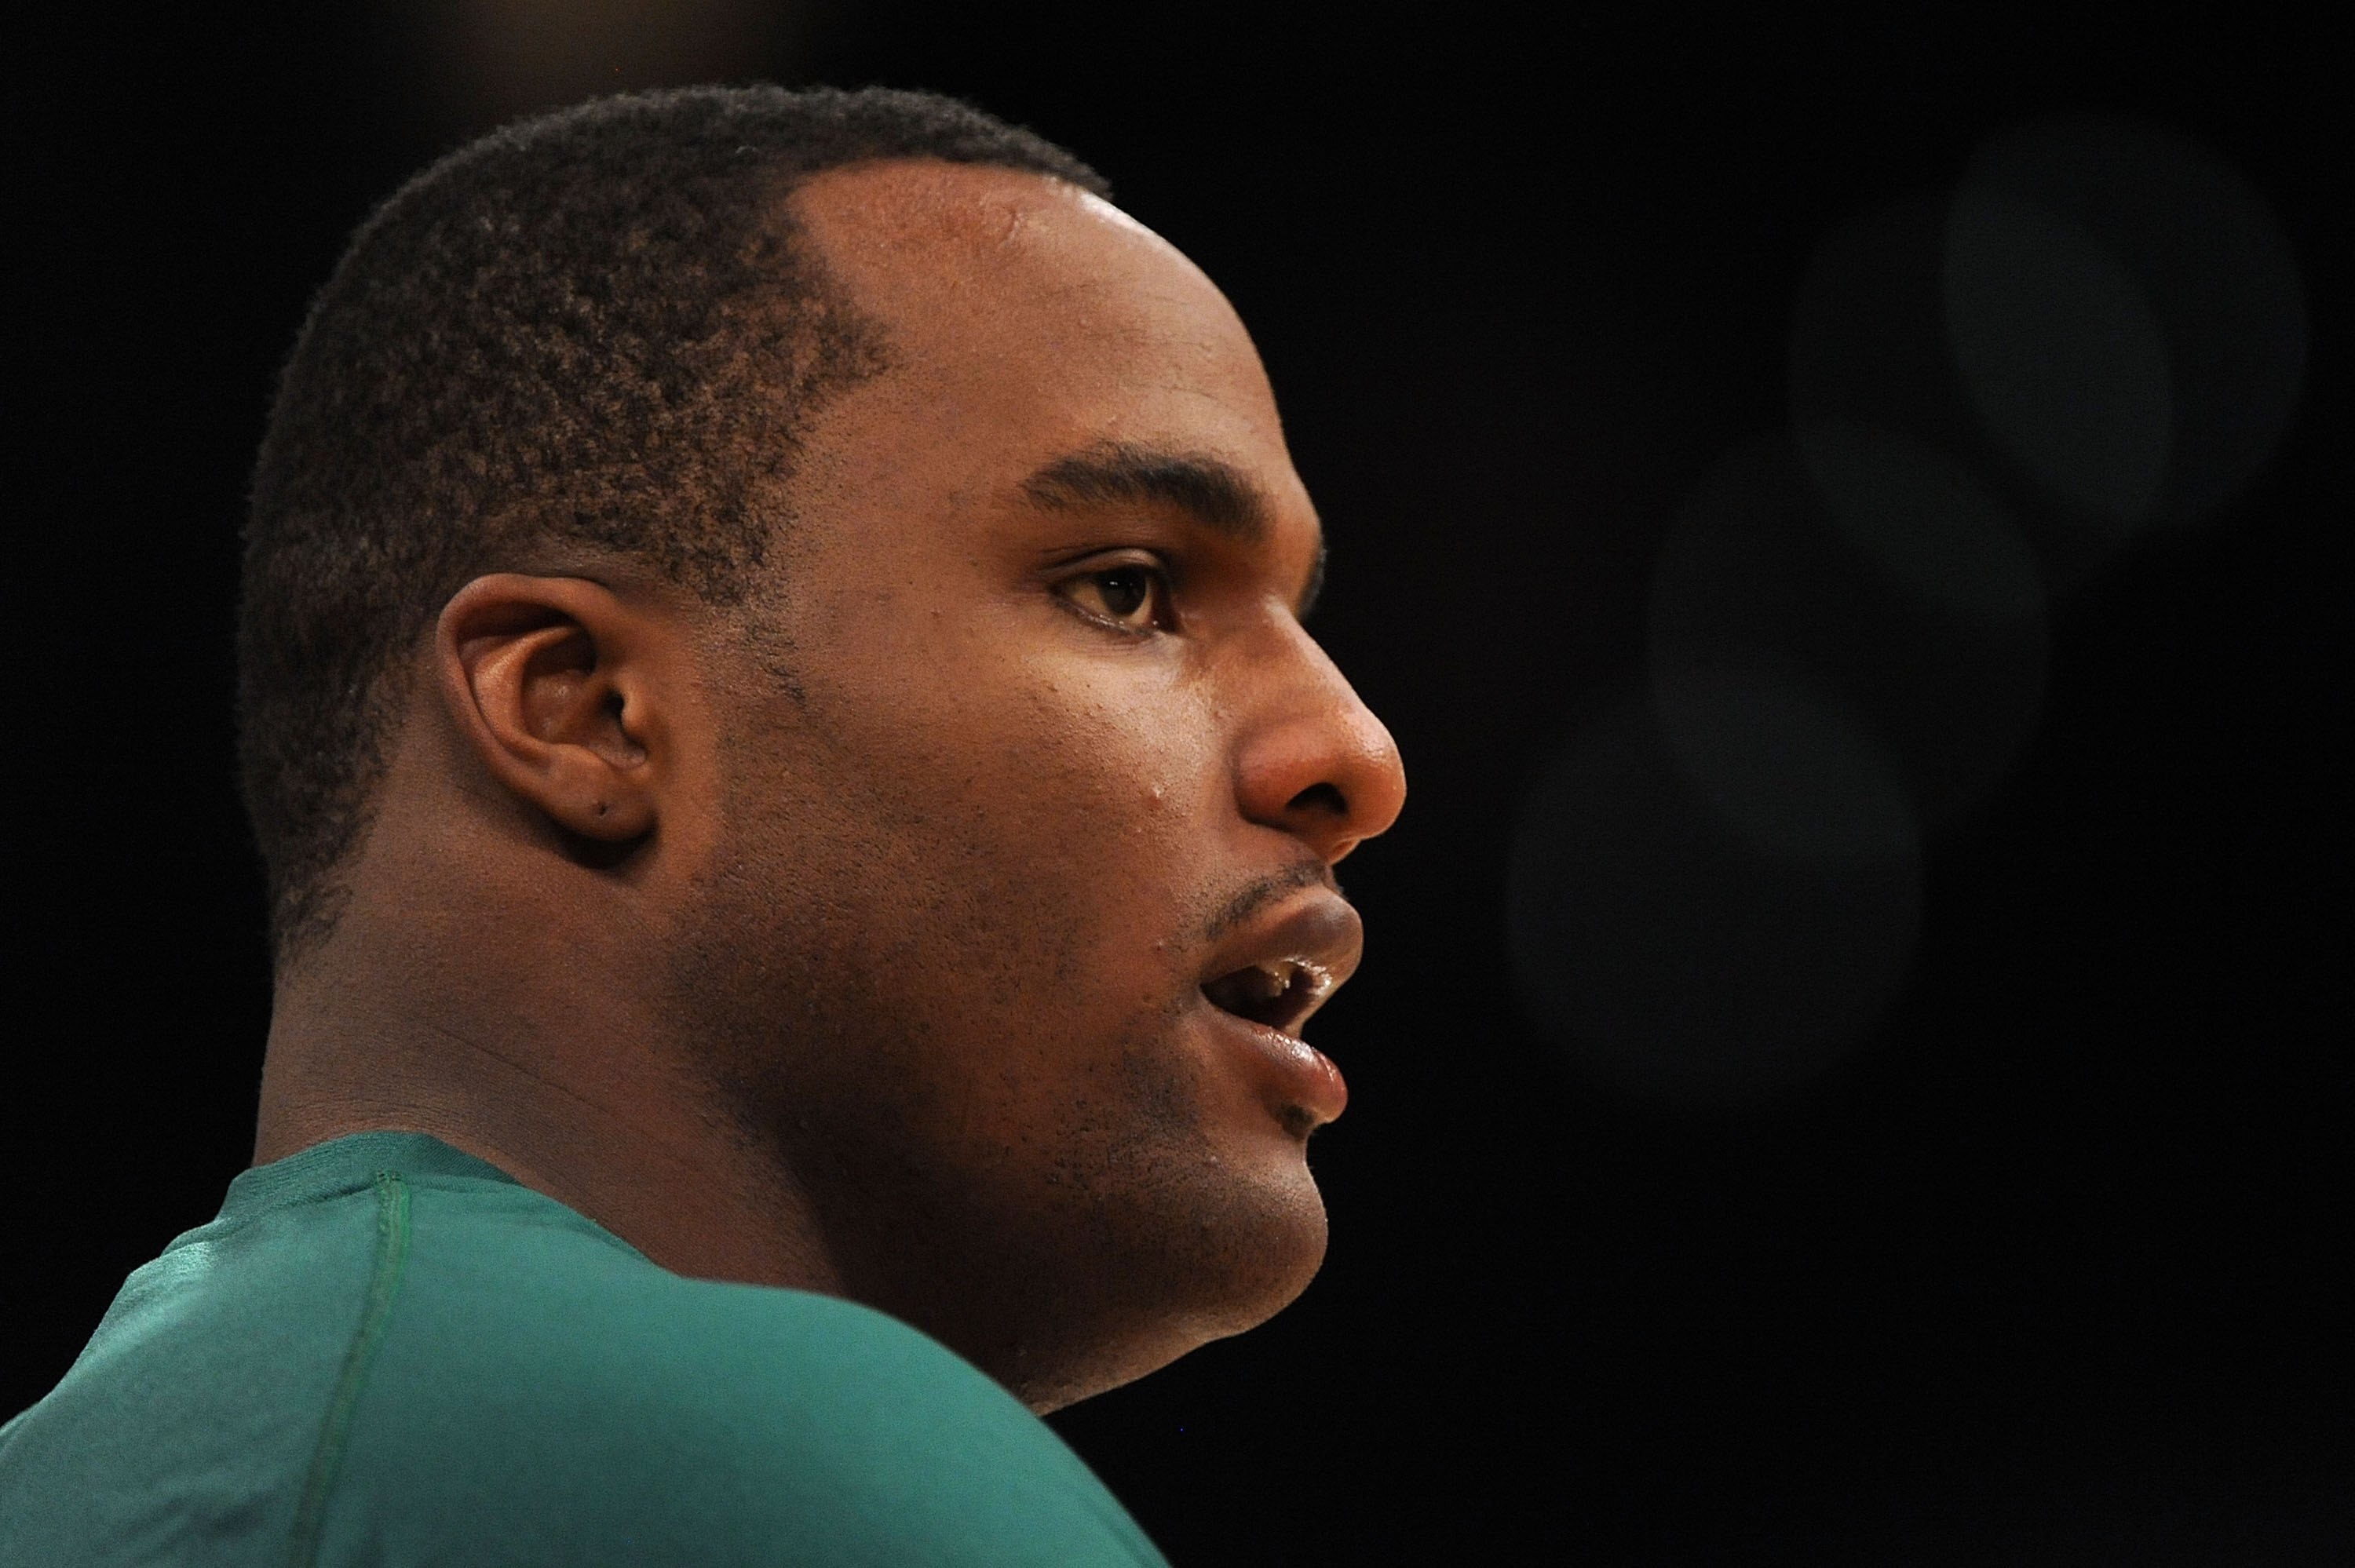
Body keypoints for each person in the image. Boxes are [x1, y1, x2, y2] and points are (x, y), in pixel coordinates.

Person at [0, 85, 1404, 1564]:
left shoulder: (99, 1471)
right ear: (585, 712)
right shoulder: (764, 1465)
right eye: (1124, 587)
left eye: (1299, 616)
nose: (1356, 753)